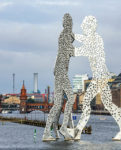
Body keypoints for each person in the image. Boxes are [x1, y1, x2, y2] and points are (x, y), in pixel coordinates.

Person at [73, 16, 121, 140]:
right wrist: (73, 36)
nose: (83, 28)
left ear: (91, 27)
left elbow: (85, 49)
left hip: (99, 77)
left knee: (87, 101)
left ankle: (77, 131)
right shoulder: (92, 38)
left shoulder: (96, 39)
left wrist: (71, 51)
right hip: (101, 76)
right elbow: (84, 39)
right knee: (108, 104)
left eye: (85, 26)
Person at [42, 13, 75, 141]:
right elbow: (72, 52)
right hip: (61, 73)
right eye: (69, 22)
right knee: (70, 99)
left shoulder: (63, 35)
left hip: (59, 72)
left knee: (58, 104)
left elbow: (63, 53)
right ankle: (62, 128)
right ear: (68, 24)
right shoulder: (66, 35)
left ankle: (49, 131)